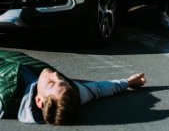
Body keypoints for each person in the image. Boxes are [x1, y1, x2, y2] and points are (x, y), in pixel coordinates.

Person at [0, 49, 146, 125]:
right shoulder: (71, 93)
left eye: (51, 83)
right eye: (62, 82)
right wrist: (128, 82)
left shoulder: (4, 103)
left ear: (39, 101)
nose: (56, 76)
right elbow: (98, 89)